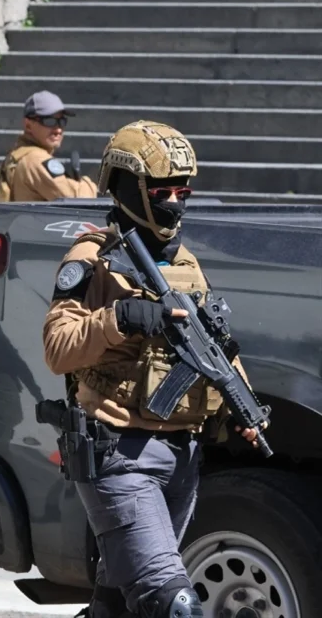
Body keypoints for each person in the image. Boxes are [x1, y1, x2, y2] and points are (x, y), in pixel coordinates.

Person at [40, 120, 267, 618]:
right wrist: (121, 317)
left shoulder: (185, 264)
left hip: (182, 457)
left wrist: (241, 406)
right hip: (120, 454)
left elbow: (216, 348)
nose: (175, 203)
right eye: (162, 192)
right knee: (173, 603)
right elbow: (57, 348)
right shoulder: (93, 259)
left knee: (119, 605)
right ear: (129, 188)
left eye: (183, 192)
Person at [0, 90, 98, 202]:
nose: (58, 130)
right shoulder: (36, 160)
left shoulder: (18, 154)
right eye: (49, 121)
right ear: (28, 125)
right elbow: (76, 198)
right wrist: (89, 184)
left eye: (62, 121)